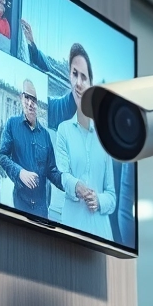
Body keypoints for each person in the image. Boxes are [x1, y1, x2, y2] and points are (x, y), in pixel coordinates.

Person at [53, 44, 116, 237]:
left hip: (103, 236)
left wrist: (99, 200)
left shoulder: (105, 137)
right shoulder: (63, 130)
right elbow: (63, 176)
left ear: (90, 84)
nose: (79, 82)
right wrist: (77, 186)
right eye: (74, 74)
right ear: (69, 77)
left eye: (84, 77)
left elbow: (112, 197)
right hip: (72, 232)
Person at [0, 79, 62, 218]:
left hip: (41, 207)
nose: (31, 104)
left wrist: (71, 185)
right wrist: (20, 173)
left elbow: (52, 171)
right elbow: (2, 156)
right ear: (21, 97)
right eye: (27, 97)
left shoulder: (45, 135)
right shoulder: (12, 124)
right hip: (20, 202)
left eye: (34, 99)